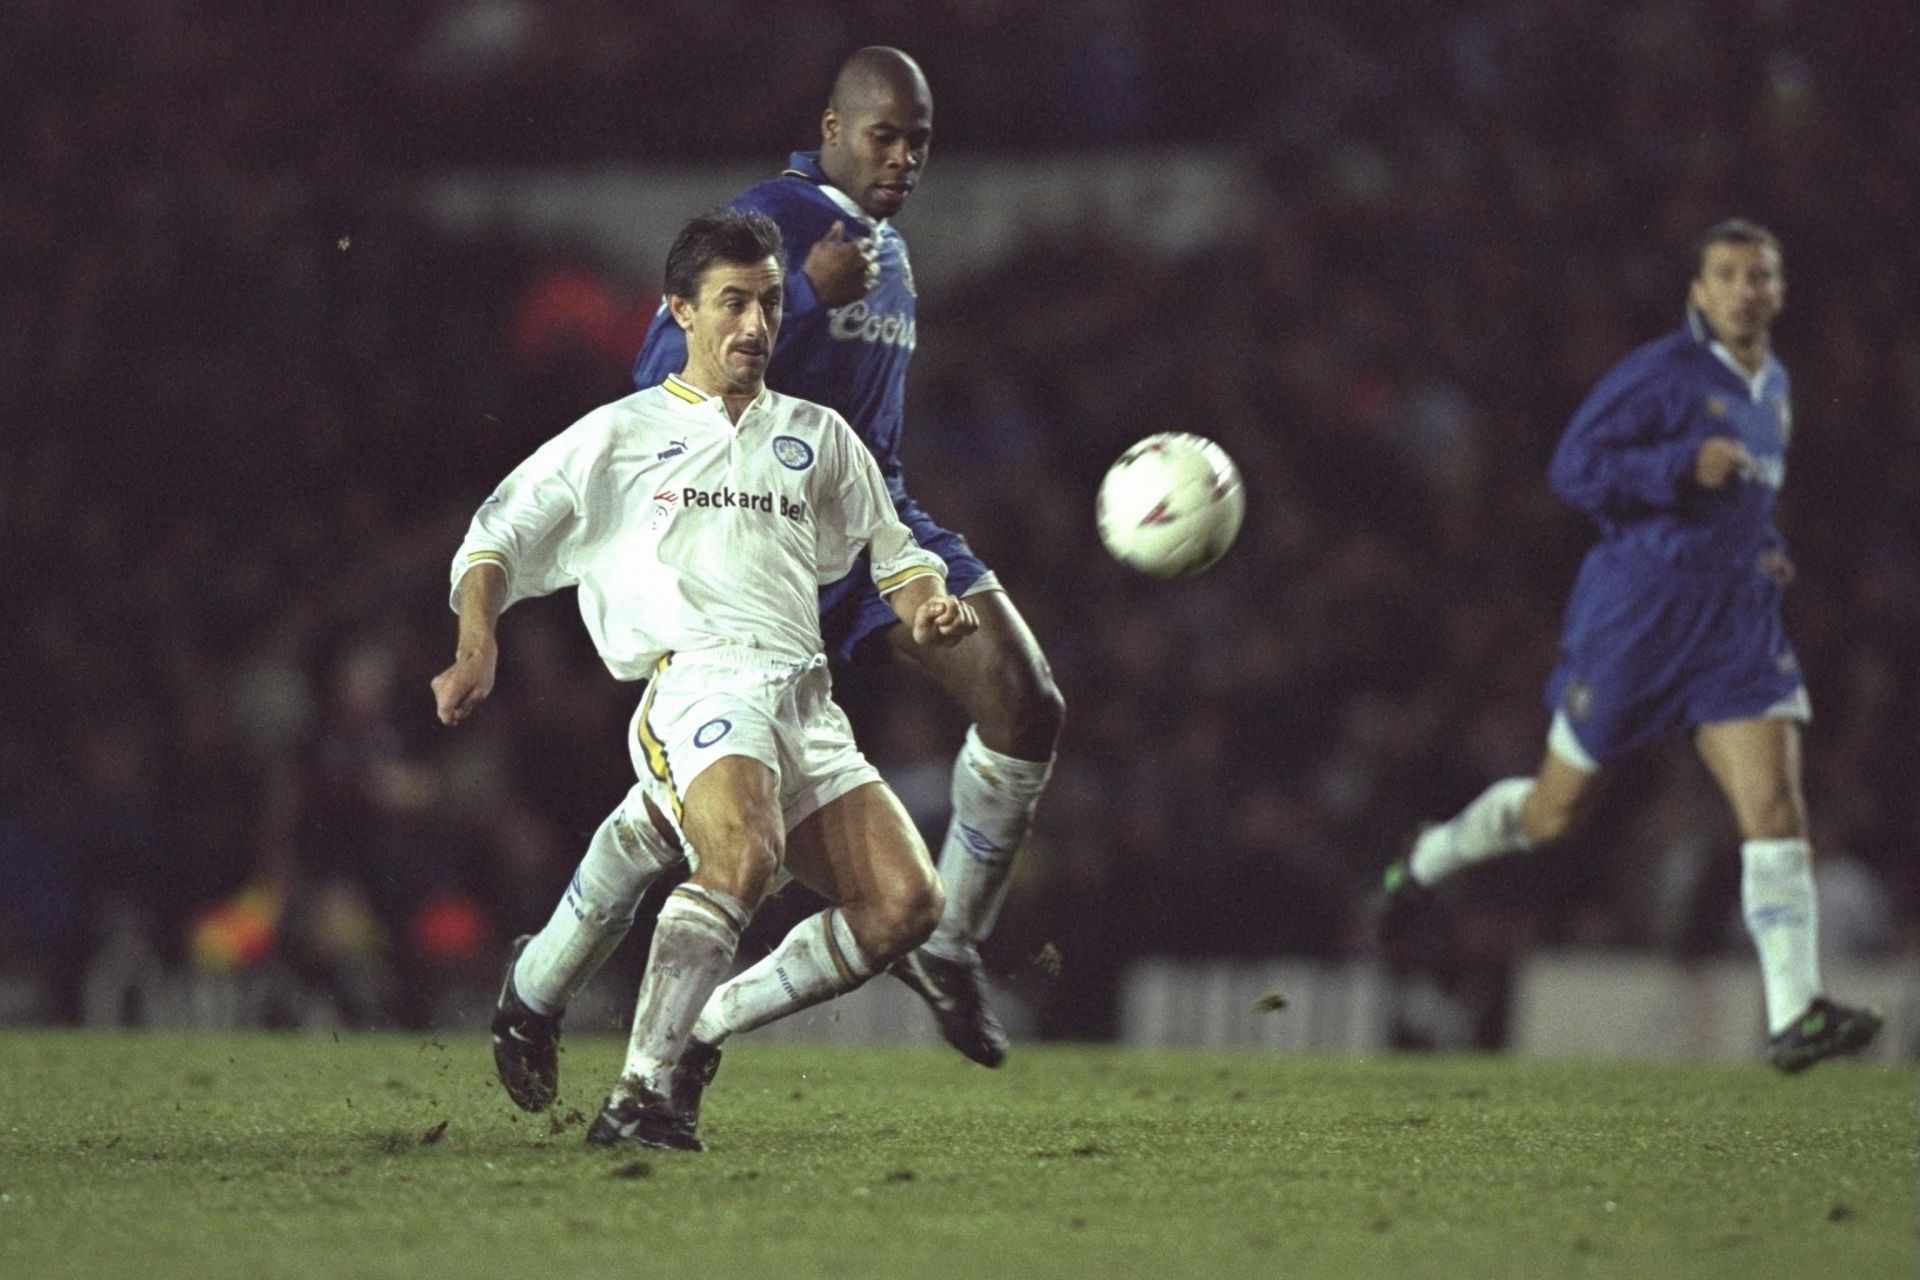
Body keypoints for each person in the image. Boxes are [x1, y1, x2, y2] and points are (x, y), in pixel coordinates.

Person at [433, 209, 979, 1151]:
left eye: (769, 302)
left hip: (802, 701)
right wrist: (477, 642)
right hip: (695, 686)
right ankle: (642, 1093)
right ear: (679, 310)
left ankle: (682, 1027)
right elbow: (495, 536)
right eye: (733, 304)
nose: (756, 326)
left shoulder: (818, 436)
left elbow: (896, 555)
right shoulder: (621, 436)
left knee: (906, 908)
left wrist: (927, 602)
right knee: (742, 856)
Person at [628, 46, 1063, 1068]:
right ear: (831, 129)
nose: (906, 157)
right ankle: (547, 983)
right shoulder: (768, 222)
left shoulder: (886, 243)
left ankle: (951, 940)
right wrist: (808, 296)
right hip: (756, 545)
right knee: (676, 839)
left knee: (1026, 699)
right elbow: (658, 385)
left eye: (920, 141)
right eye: (886, 136)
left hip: (873, 534)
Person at [1373, 220, 1882, 1074]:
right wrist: (1680, 463)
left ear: (1778, 293)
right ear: (1699, 293)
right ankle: (1429, 857)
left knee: (1775, 807)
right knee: (1554, 814)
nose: (1745, 290)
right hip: (1637, 620)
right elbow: (1573, 468)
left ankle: (1796, 1014)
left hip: (1733, 625)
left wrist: (1755, 545)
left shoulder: (1776, 387)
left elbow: (1740, 496)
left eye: (1760, 276)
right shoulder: (1658, 377)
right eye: (1726, 275)